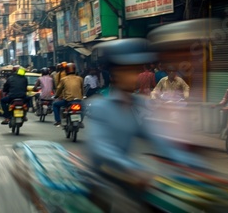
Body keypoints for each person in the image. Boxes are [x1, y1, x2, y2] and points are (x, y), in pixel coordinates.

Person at [86, 38, 205, 204]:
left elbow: (159, 138)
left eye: (136, 70)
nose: (134, 76)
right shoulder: (100, 106)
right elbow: (101, 147)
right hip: (101, 181)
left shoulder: (139, 105)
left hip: (126, 180)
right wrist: (133, 168)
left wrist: (193, 164)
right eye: (127, 70)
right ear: (115, 74)